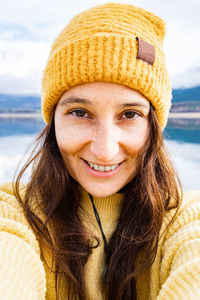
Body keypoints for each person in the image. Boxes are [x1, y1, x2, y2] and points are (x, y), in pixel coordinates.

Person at [0, 2, 200, 300]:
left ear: (154, 127)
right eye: (80, 113)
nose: (105, 151)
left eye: (130, 114)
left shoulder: (185, 220)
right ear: (53, 121)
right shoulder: (14, 213)